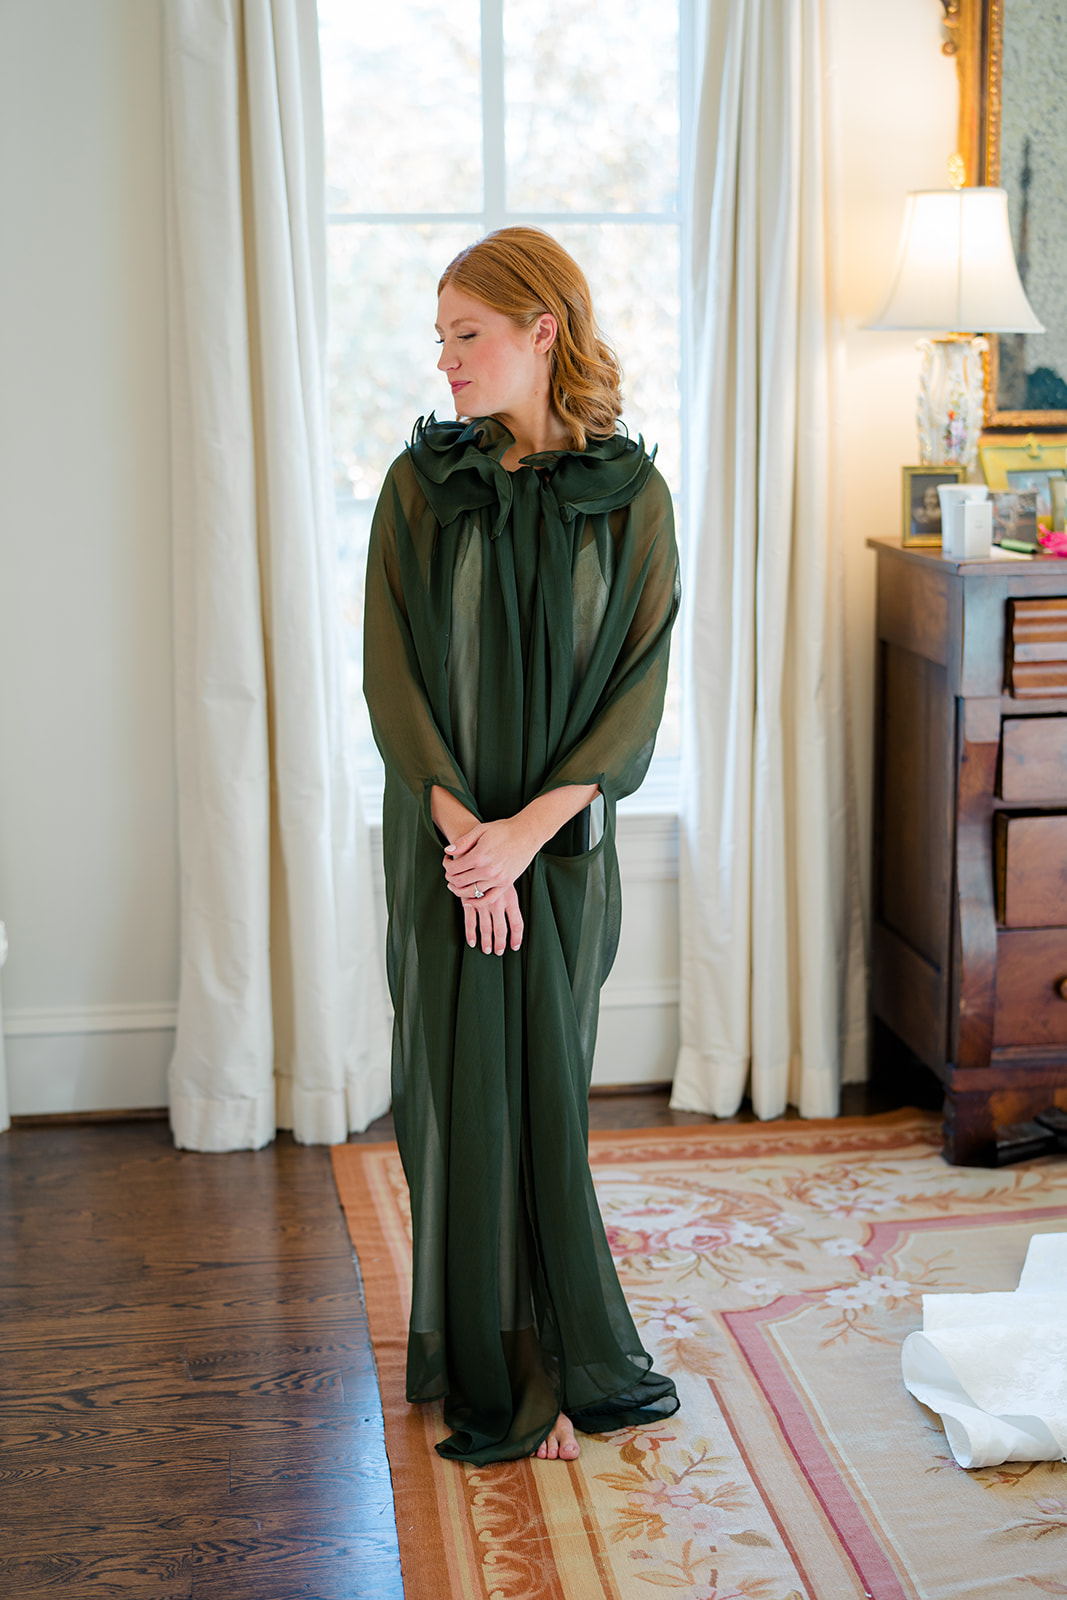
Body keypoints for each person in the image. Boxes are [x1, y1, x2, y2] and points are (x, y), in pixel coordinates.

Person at [363, 226, 681, 1466]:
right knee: (451, 1091)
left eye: (466, 335)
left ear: (540, 332)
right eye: (438, 337)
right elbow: (392, 678)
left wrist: (524, 835)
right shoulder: (418, 486)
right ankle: (481, 1355)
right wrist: (461, 836)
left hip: (556, 849)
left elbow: (635, 695)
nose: (444, 362)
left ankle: (552, 1352)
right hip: (444, 843)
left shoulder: (633, 497)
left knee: (545, 1091)